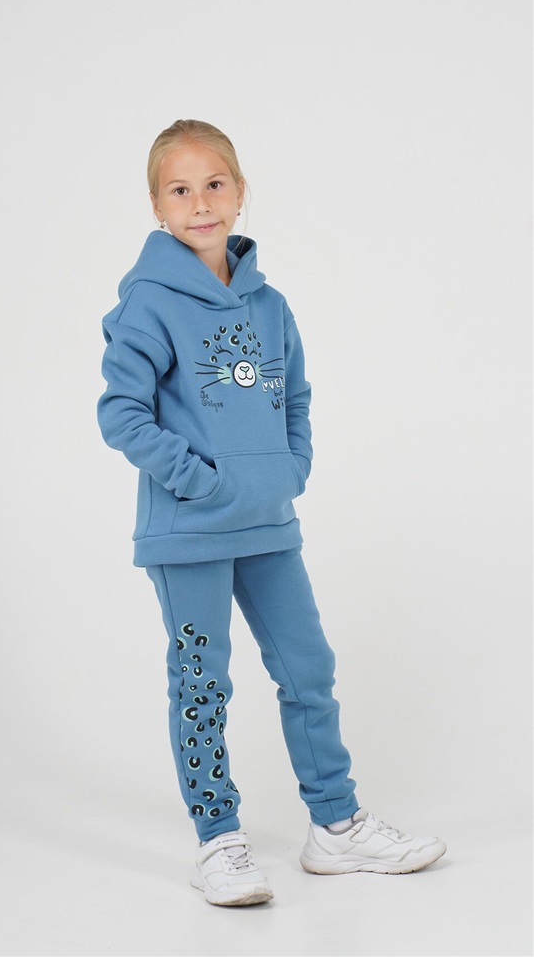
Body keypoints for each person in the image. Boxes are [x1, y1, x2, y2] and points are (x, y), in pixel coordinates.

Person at [97, 119, 446, 906]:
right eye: (179, 190)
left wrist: (290, 468)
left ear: (239, 191)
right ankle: (218, 840)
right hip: (189, 532)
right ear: (157, 206)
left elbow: (295, 397)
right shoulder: (149, 303)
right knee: (202, 683)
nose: (199, 203)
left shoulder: (269, 304)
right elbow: (121, 414)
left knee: (307, 668)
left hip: (267, 526)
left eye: (213, 184)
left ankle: (336, 826)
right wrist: (201, 482)